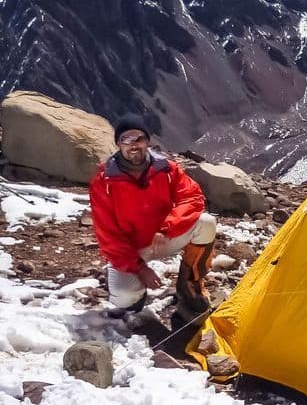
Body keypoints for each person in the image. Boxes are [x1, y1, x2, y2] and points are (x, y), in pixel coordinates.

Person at [89, 113, 217, 321]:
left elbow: (192, 198)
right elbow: (108, 235)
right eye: (126, 139)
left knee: (206, 223)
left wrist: (168, 228)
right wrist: (140, 268)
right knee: (124, 298)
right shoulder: (104, 183)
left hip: (164, 237)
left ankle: (190, 286)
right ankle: (134, 295)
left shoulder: (166, 170)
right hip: (134, 250)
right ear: (118, 144)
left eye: (139, 138)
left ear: (147, 141)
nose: (133, 145)